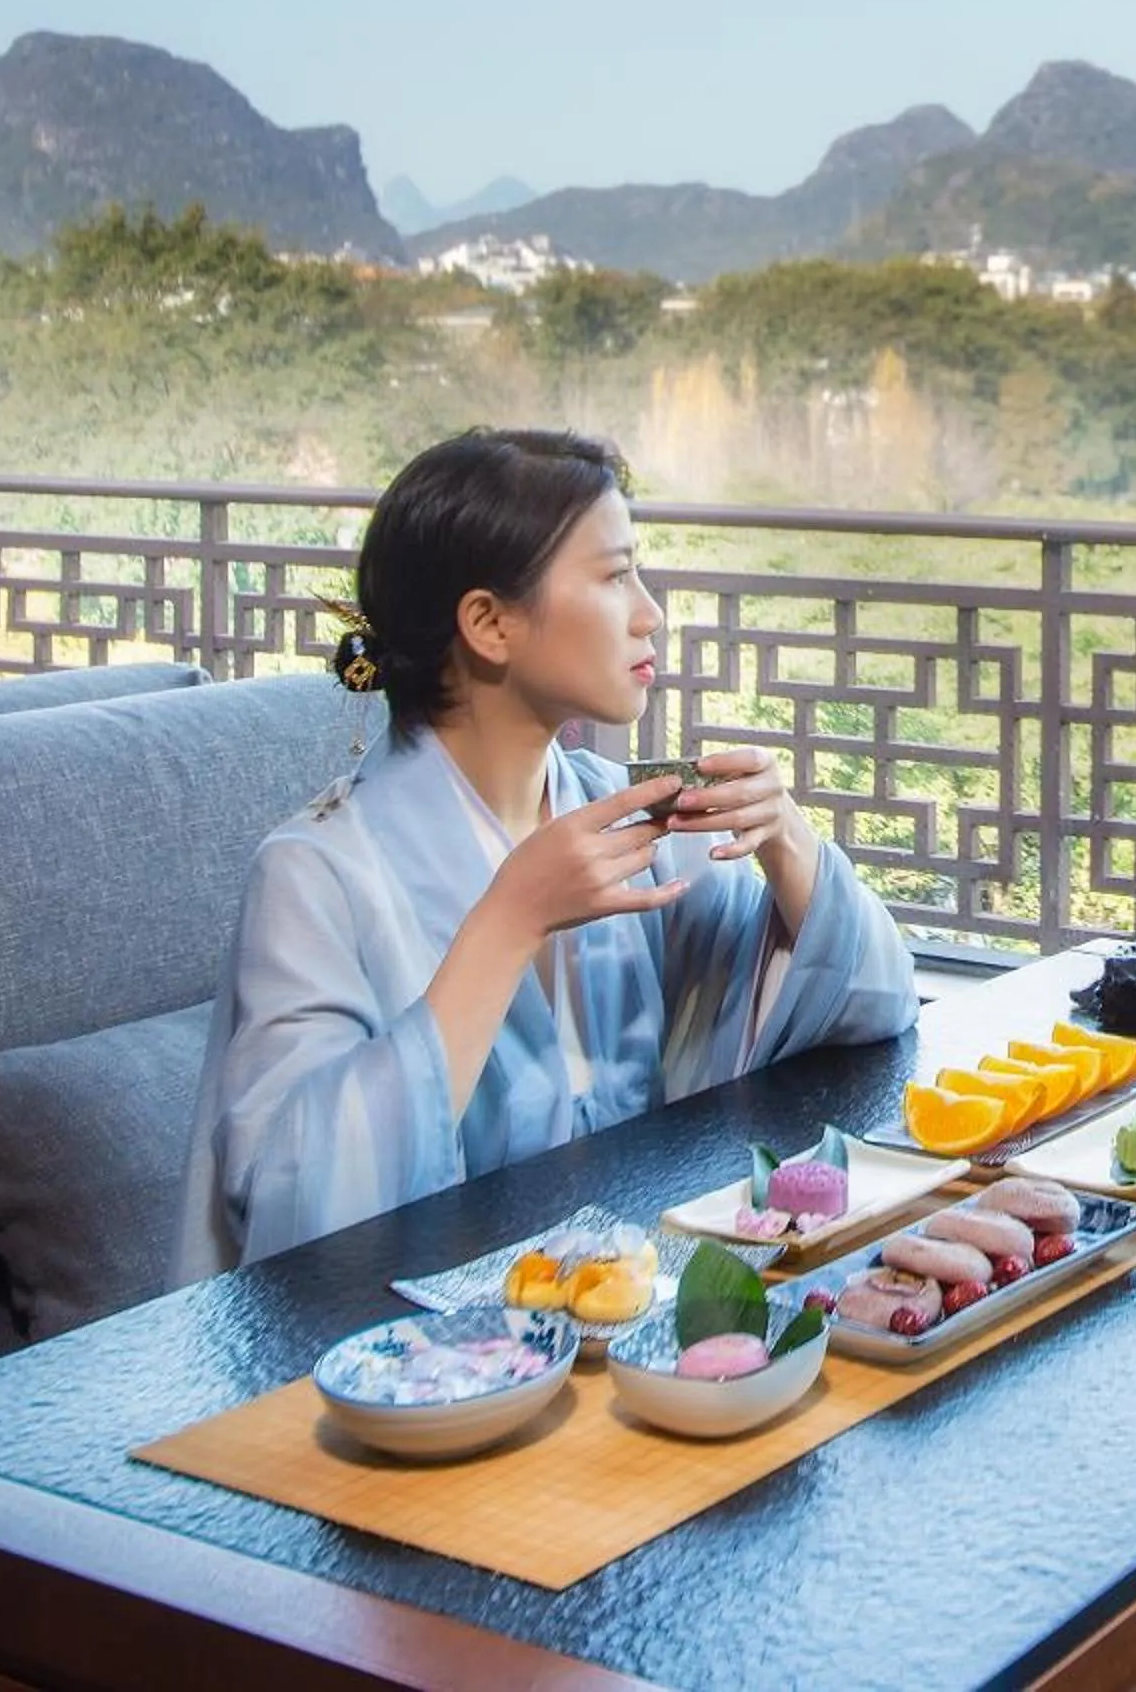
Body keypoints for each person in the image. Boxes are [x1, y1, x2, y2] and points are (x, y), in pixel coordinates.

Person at [172, 428, 915, 1281]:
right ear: (489, 623)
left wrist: (787, 842)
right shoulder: (317, 872)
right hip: (413, 1353)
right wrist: (509, 920)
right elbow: (297, 1202)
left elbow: (872, 1008)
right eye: (613, 575)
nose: (651, 612)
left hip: (624, 1298)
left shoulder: (621, 811)